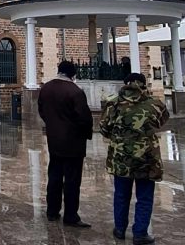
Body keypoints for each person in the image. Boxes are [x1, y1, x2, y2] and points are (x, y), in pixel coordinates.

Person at [100, 72, 170, 245]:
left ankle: (119, 229)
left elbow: (104, 129)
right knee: (144, 197)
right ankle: (140, 233)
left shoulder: (113, 103)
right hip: (147, 158)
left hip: (121, 157)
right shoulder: (155, 104)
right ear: (144, 84)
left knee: (121, 195)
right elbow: (161, 122)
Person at [37, 60, 94, 228]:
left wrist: (52, 125)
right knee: (72, 180)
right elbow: (84, 117)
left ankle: (52, 211)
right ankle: (71, 215)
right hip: (73, 143)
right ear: (72, 74)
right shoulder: (75, 91)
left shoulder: (46, 88)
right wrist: (85, 133)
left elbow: (42, 110)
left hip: (54, 140)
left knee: (54, 176)